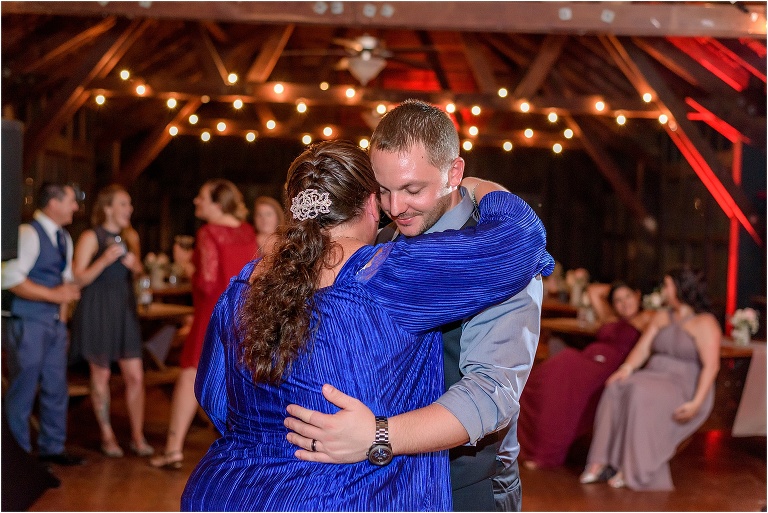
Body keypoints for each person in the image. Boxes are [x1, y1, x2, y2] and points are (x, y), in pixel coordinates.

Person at [181, 140, 554, 511]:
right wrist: (480, 187)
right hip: (335, 496)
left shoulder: (244, 285)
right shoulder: (386, 275)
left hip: (224, 491)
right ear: (372, 204)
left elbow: (215, 398)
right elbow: (522, 240)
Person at [284, 99, 544, 511]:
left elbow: (491, 394)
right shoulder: (382, 243)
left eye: (412, 190)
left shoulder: (500, 257)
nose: (395, 208)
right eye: (384, 190)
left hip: (466, 483)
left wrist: (378, 435)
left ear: (454, 173)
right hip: (386, 480)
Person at [579, 266, 721, 491]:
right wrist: (626, 369)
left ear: (681, 289)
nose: (663, 290)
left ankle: (633, 468)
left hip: (684, 384)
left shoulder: (705, 323)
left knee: (639, 391)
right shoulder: (662, 316)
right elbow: (643, 348)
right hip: (654, 375)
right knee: (616, 386)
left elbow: (711, 366)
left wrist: (696, 402)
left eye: (667, 285)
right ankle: (600, 462)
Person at [150, 179, 257, 469]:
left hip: (213, 313)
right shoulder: (247, 231)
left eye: (202, 197)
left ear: (217, 204)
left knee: (189, 375)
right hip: (243, 311)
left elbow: (207, 284)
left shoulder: (208, 233)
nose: (197, 201)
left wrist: (186, 264)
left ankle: (173, 450)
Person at [517, 281, 654, 469]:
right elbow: (593, 290)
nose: (624, 303)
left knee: (561, 376)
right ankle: (523, 445)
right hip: (587, 359)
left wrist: (621, 291)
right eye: (618, 300)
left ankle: (543, 453)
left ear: (638, 295)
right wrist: (617, 290)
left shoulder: (647, 318)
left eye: (628, 297)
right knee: (538, 380)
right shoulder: (610, 317)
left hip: (607, 368)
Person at [1, 182, 84, 465]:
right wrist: (54, 295)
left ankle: (52, 448)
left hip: (53, 325)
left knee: (56, 388)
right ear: (53, 203)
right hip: (29, 322)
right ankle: (18, 457)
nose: (75, 207)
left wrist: (63, 323)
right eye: (71, 201)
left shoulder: (64, 237)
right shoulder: (28, 234)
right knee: (23, 390)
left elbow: (65, 282)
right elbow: (9, 279)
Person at [69, 184, 152, 458]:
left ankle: (137, 437)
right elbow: (78, 278)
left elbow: (140, 274)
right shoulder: (91, 237)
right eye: (123, 204)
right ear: (107, 208)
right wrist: (103, 261)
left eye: (129, 204)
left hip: (124, 309)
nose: (129, 209)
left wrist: (135, 266)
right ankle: (107, 436)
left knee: (135, 375)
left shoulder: (131, 236)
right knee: (101, 373)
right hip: (97, 309)